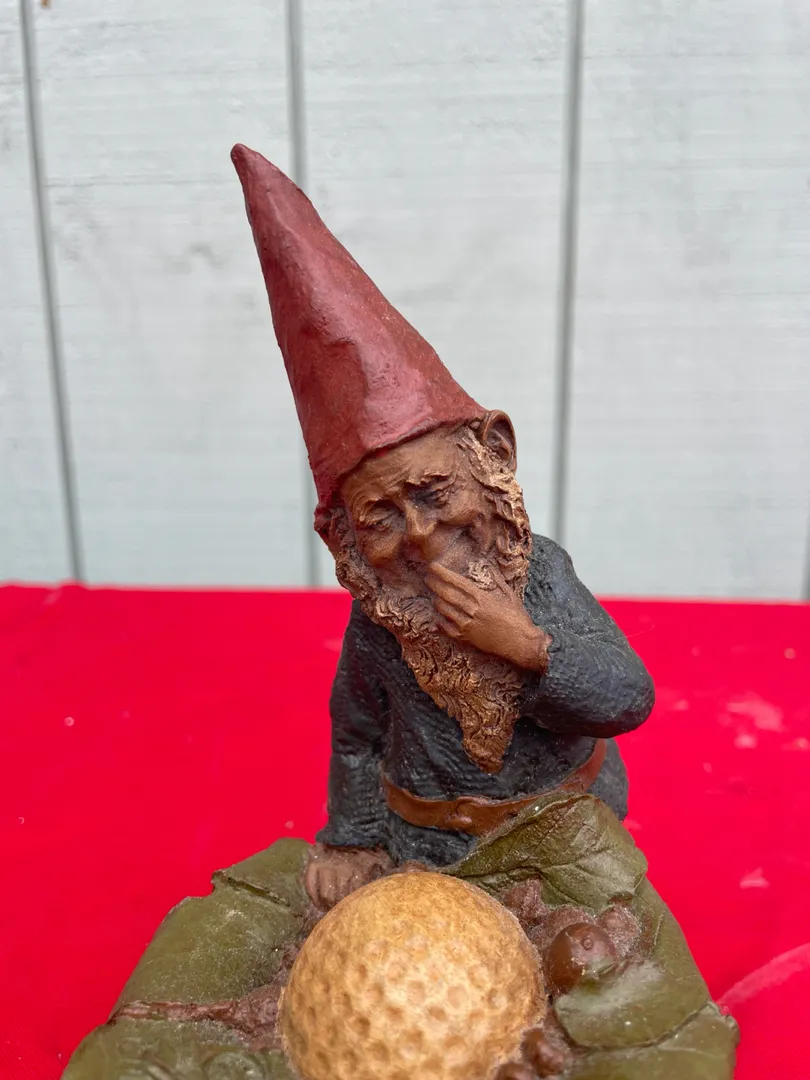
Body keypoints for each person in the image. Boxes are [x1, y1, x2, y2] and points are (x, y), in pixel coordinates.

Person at [232, 144, 655, 911]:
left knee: (598, 951)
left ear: (494, 454)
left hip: (561, 835)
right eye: (380, 520)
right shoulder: (381, 625)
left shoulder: (541, 577)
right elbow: (357, 734)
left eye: (433, 494)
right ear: (342, 539)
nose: (422, 539)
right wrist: (354, 837)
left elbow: (627, 697)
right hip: (423, 848)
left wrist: (524, 645)